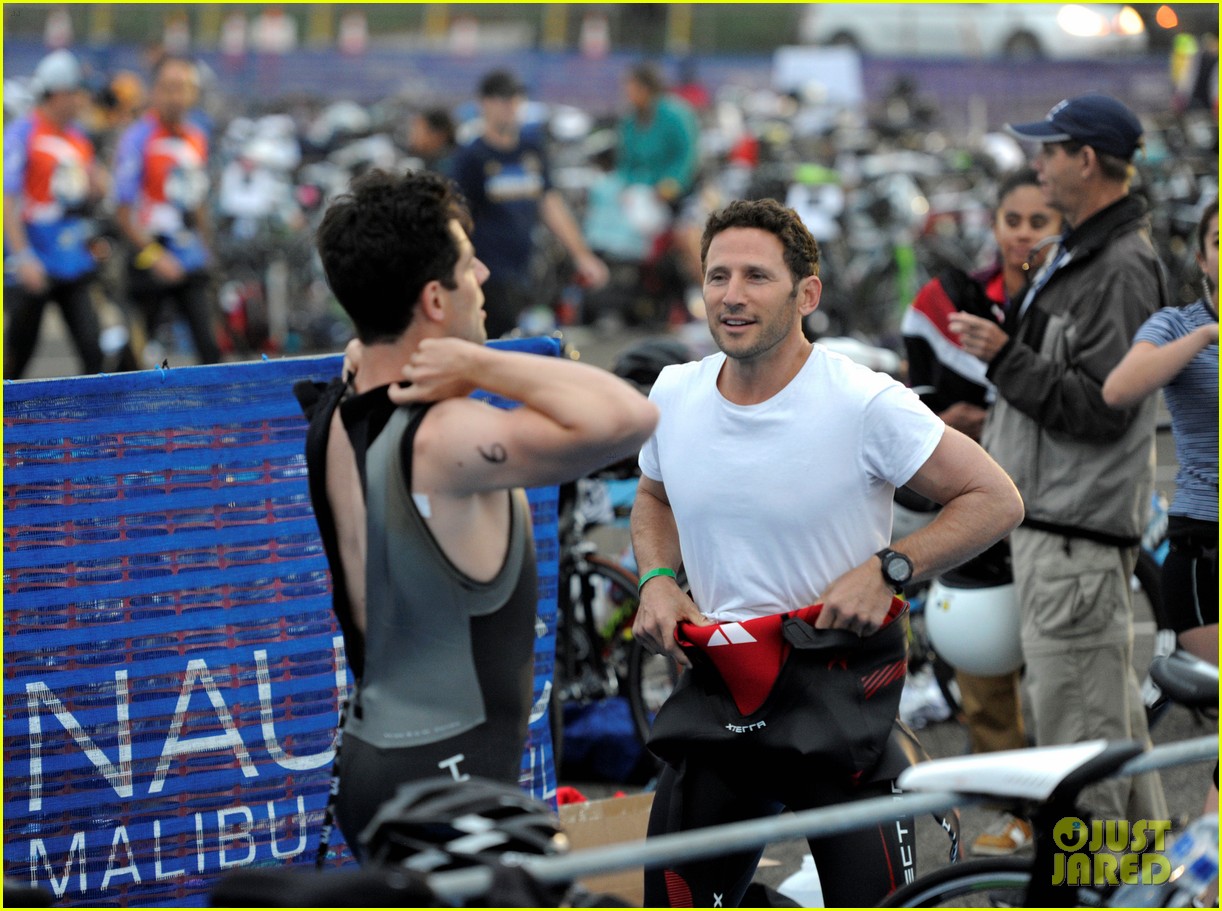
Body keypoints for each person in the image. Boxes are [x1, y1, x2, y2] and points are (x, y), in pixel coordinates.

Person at [630, 197, 1024, 907]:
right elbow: (654, 497)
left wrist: (891, 567)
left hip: (837, 695)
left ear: (806, 293)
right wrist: (657, 577)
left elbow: (995, 499)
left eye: (756, 276)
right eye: (718, 276)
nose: (731, 295)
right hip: (724, 690)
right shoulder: (675, 393)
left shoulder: (865, 402)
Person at [299, 169, 657, 857]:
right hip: (447, 779)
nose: (486, 272)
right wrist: (482, 365)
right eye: (469, 265)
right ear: (435, 299)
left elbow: (363, 350)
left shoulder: (343, 400)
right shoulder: (442, 437)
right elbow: (629, 415)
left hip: (378, 758)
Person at [950, 93, 1170, 826]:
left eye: (1050, 150)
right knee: (1108, 739)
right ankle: (1139, 883)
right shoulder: (1087, 251)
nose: (1038, 163)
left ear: (1085, 160)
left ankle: (1093, 891)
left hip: (1074, 533)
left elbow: (1103, 409)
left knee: (1080, 753)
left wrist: (1005, 356)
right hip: (1061, 529)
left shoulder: (1119, 267)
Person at [901, 167, 1063, 857]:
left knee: (1057, 673)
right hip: (981, 508)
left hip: (1059, 506)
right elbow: (914, 403)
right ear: (994, 225)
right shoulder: (948, 302)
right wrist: (949, 417)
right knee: (986, 672)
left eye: (1040, 222)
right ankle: (1013, 809)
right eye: (1013, 221)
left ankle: (1070, 811)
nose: (1024, 235)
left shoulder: (1074, 303)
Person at [1104, 199, 1218, 860]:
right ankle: (1202, 875)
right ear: (1202, 256)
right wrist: (1205, 338)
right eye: (1219, 240)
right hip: (1205, 551)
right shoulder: (1179, 323)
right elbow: (1120, 387)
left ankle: (1199, 877)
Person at [449, 68, 607, 338]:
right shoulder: (472, 157)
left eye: (516, 98)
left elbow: (549, 203)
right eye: (503, 98)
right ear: (485, 103)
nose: (511, 106)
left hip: (525, 269)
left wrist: (582, 255)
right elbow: (455, 215)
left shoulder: (531, 151)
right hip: (488, 271)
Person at [4, 49, 108, 380]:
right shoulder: (23, 133)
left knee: (93, 351)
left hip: (72, 261)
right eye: (77, 92)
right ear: (59, 93)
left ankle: (93, 430)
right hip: (36, 261)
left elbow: (85, 194)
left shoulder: (78, 138)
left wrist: (98, 186)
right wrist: (23, 257)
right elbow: (8, 200)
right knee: (17, 358)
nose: (82, 100)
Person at [114, 53, 221, 366]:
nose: (176, 96)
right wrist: (156, 257)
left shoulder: (196, 137)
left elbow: (197, 200)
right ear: (154, 91)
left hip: (188, 255)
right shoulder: (137, 138)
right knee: (133, 358)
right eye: (168, 87)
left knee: (211, 350)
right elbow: (122, 211)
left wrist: (207, 247)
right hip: (148, 255)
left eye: (183, 87)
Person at [617, 62, 701, 208]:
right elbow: (626, 161)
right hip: (642, 189)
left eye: (630, 87)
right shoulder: (630, 121)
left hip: (674, 190)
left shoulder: (675, 114)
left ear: (644, 89)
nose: (626, 92)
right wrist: (627, 184)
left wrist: (672, 182)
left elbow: (688, 154)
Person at [406, 107, 456, 175]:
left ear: (439, 135)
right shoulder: (429, 161)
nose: (413, 137)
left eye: (418, 131)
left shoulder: (453, 165)